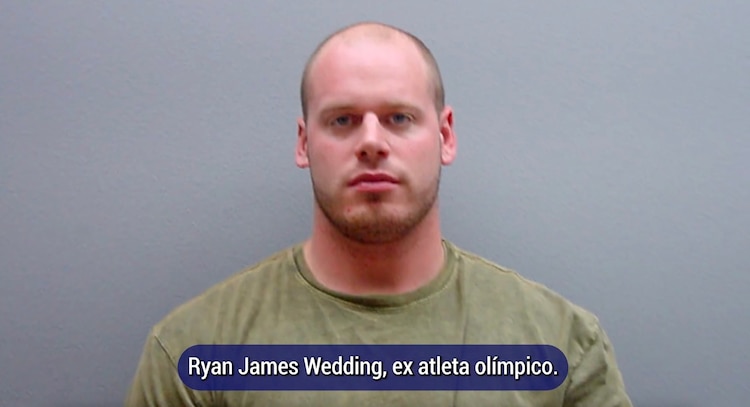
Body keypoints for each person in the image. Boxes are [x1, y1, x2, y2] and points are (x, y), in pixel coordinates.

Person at [125, 21, 633, 406]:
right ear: (304, 142)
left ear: (445, 135)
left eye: (399, 118)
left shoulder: (561, 345)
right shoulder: (196, 350)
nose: (371, 142)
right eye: (342, 120)